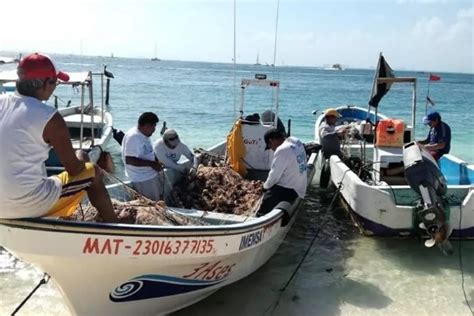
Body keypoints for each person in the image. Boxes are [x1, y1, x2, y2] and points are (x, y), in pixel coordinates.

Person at [0, 52, 118, 222]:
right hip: (25, 204)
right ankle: (113, 226)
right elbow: (74, 169)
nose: (56, 86)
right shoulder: (49, 117)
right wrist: (81, 155)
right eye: (56, 82)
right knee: (92, 172)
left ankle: (64, 219)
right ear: (47, 83)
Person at [257, 128, 307, 216]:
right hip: (301, 185)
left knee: (266, 199)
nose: (272, 150)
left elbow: (274, 176)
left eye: (270, 147)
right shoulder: (295, 141)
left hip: (292, 190)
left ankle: (260, 216)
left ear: (271, 141)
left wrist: (264, 187)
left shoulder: (282, 150)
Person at [122, 112, 163, 201]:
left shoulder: (144, 134)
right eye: (153, 127)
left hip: (150, 174)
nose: (154, 130)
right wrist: (152, 164)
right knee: (152, 204)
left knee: (158, 200)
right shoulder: (133, 137)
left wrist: (156, 161)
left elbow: (148, 151)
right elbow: (129, 159)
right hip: (142, 178)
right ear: (147, 126)